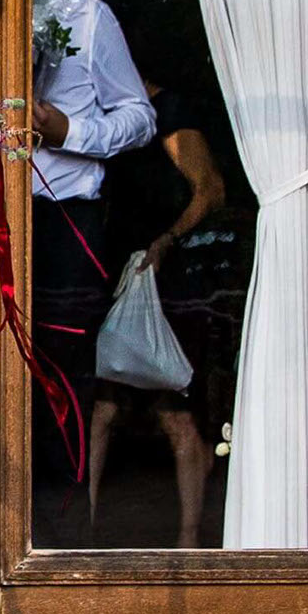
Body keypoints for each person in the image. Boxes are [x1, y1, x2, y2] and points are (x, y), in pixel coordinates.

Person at [91, 77, 238, 548]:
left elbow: (209, 189)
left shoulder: (167, 110)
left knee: (177, 410)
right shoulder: (109, 116)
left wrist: (167, 240)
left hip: (165, 278)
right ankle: (83, 536)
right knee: (100, 406)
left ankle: (188, 540)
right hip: (118, 273)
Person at [27, 0, 157, 490]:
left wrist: (70, 130)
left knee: (64, 374)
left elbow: (140, 116)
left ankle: (62, 530)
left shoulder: (84, 13)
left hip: (64, 219)